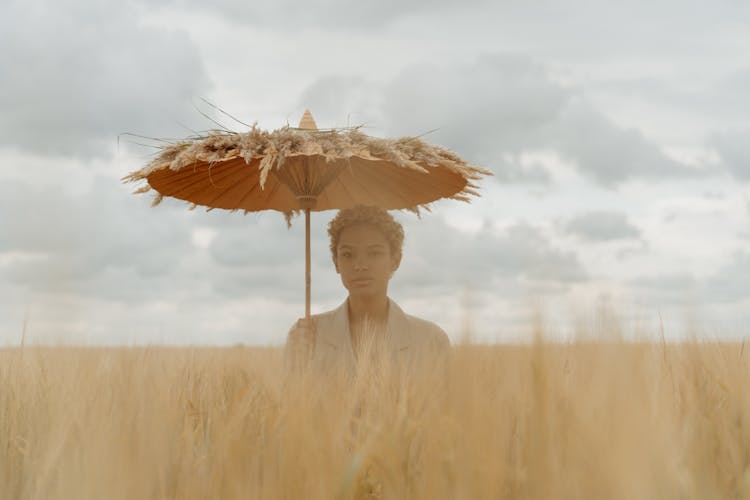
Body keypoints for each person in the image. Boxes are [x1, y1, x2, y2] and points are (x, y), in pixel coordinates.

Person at [284, 205, 450, 376]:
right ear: (336, 262)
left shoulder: (431, 340)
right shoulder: (307, 336)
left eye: (374, 253)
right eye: (348, 254)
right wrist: (297, 363)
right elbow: (292, 400)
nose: (360, 265)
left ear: (395, 260)